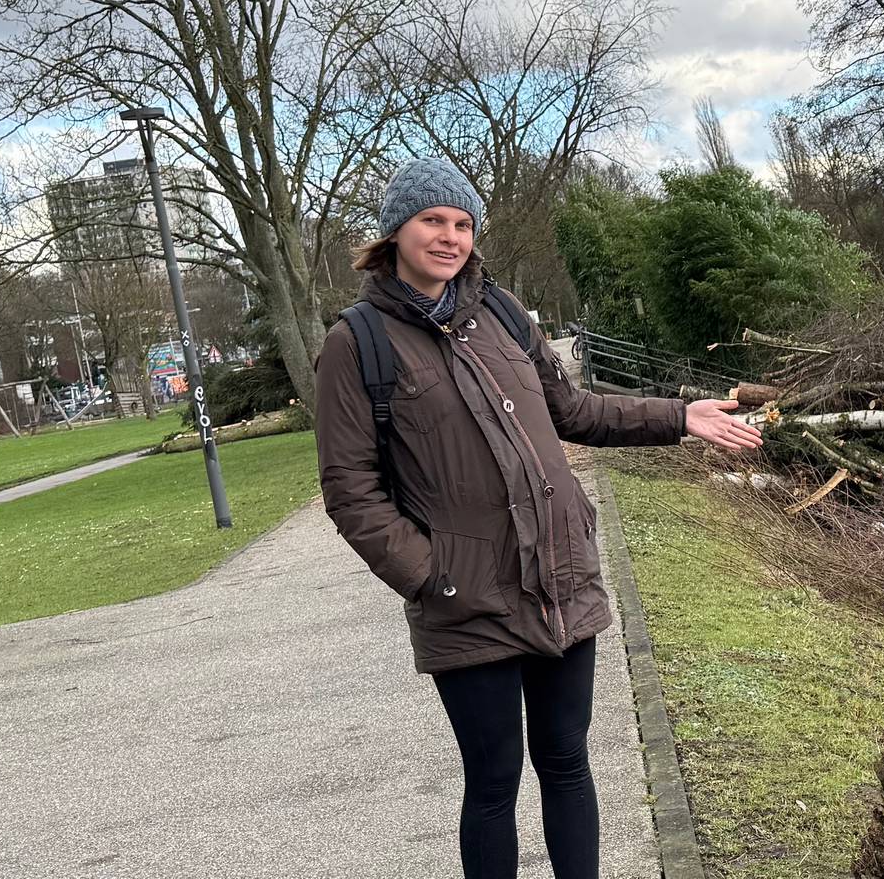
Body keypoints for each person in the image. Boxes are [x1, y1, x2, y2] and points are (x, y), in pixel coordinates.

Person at [315, 158, 762, 879]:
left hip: (560, 575)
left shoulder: (500, 311)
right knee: (493, 783)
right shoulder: (357, 342)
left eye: (462, 224)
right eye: (433, 220)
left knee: (567, 760)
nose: (450, 237)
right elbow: (349, 488)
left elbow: (575, 412)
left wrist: (680, 416)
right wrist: (431, 577)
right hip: (467, 599)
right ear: (396, 230)